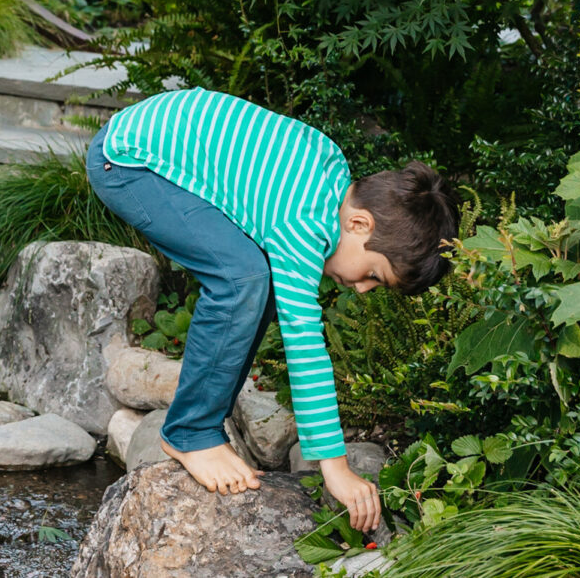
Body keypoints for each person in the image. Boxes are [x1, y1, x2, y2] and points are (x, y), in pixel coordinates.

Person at [85, 87, 458, 531]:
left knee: (254, 281)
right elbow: (305, 345)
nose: (362, 289)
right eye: (374, 275)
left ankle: (204, 425)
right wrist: (335, 467)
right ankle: (189, 433)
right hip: (128, 161)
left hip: (150, 142)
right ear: (359, 223)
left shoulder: (331, 178)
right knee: (241, 279)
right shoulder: (302, 224)